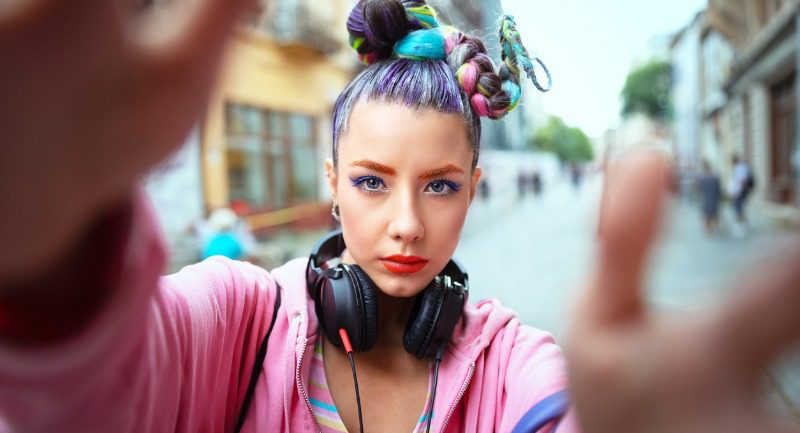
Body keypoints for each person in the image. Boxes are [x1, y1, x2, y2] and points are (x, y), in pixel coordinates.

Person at [1, 2, 799, 433]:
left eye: (441, 186)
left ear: (479, 187)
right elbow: (96, 388)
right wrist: (48, 249)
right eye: (372, 181)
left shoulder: (511, 365)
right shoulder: (239, 321)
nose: (407, 225)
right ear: (332, 184)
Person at [729, 154, 754, 237]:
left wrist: (738, 192)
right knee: (740, 208)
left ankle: (741, 227)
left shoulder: (740, 168)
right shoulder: (741, 167)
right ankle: (744, 224)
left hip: (739, 192)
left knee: (738, 208)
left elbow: (743, 180)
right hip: (739, 191)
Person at [697, 161, 722, 235]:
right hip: (714, 199)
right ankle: (713, 228)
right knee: (714, 214)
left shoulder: (703, 178)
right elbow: (719, 190)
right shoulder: (715, 178)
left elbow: (699, 189)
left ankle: (708, 230)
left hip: (706, 199)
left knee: (706, 215)